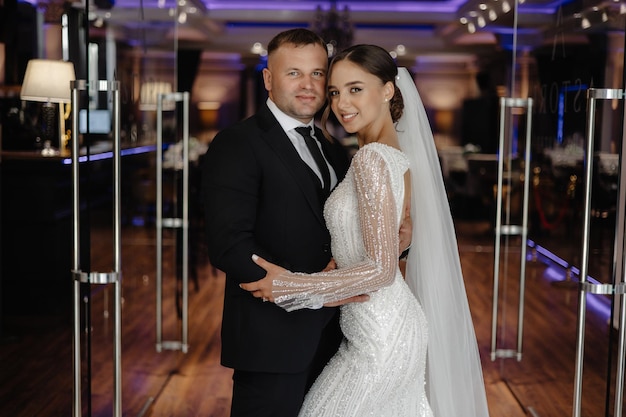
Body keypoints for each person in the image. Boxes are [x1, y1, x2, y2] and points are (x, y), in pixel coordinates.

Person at [241, 44, 491, 417]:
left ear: (388, 90)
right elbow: (387, 244)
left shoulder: (372, 160)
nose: (342, 104)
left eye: (355, 89)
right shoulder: (391, 154)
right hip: (378, 326)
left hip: (381, 334)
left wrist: (290, 286)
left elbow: (380, 269)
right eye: (335, 92)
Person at [202, 29, 409, 417]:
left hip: (340, 337)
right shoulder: (238, 143)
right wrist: (301, 291)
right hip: (272, 340)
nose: (308, 85)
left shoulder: (334, 147)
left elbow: (355, 230)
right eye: (293, 73)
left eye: (317, 74)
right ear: (268, 78)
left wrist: (401, 239)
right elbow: (229, 243)